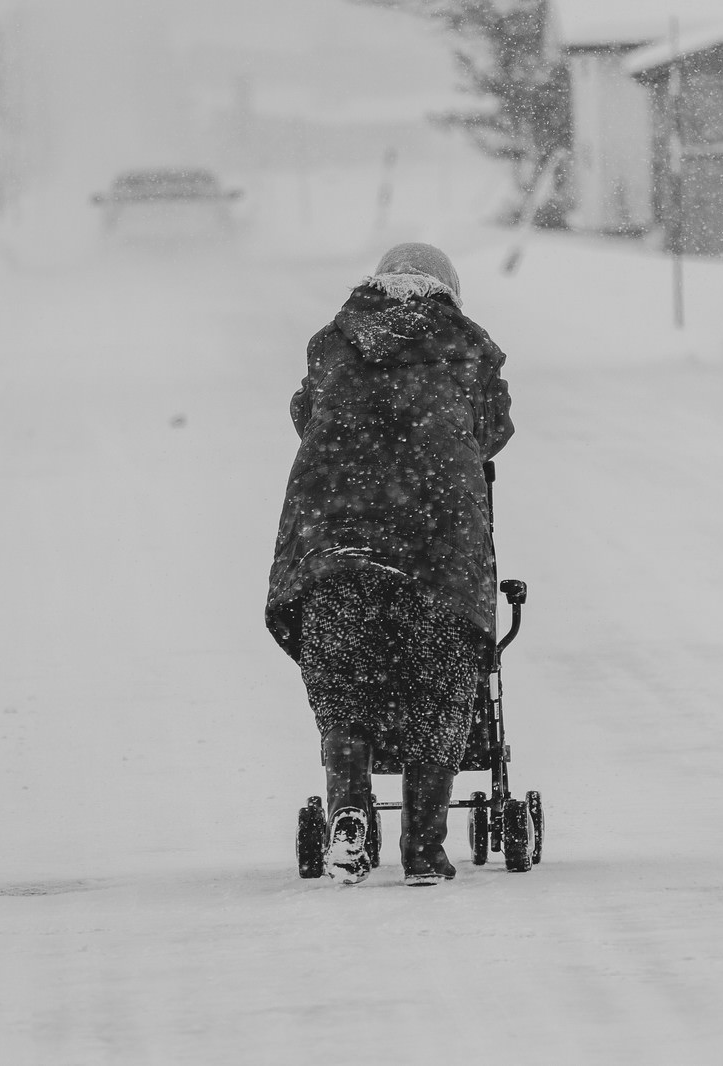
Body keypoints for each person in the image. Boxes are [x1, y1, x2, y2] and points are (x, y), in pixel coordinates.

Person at [266, 243, 514, 886]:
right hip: (436, 554)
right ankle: (425, 848)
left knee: (346, 689)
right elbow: (495, 429)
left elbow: (304, 414)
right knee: (437, 696)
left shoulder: (336, 341)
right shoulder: (468, 348)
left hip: (337, 548)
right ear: (448, 290)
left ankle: (349, 811)